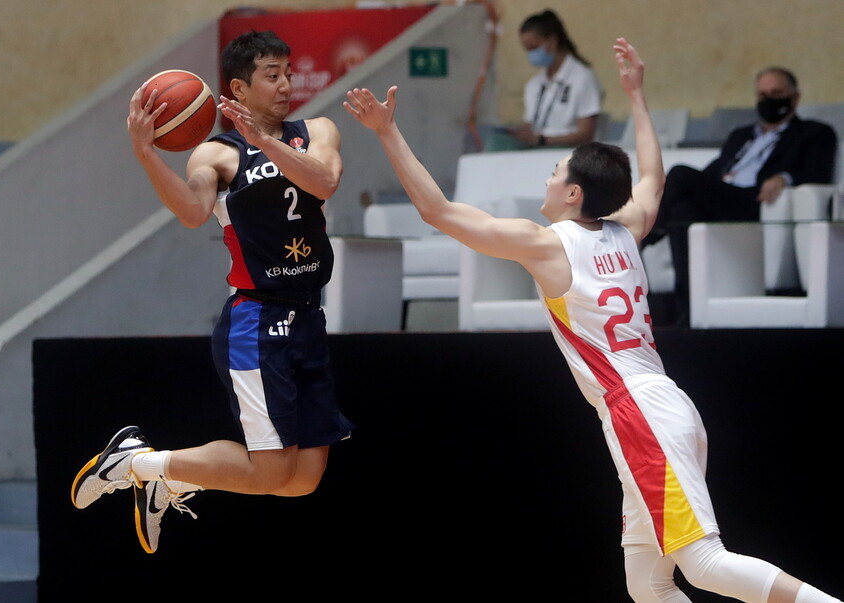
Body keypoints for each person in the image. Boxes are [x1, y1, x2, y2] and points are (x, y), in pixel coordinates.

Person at [344, 38, 840, 603]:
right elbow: (652, 179)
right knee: (647, 584)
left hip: (637, 412)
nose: (548, 178)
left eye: (554, 171)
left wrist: (387, 132)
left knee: (702, 564)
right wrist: (637, 96)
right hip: (663, 402)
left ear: (573, 192)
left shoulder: (548, 243)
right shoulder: (626, 228)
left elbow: (439, 211)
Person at [70, 30, 354, 554]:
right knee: (270, 471)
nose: (287, 83)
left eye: (289, 71)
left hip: (309, 317)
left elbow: (325, 182)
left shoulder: (317, 129)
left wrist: (267, 140)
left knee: (304, 478)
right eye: (273, 75)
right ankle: (135, 463)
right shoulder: (217, 154)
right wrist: (145, 154)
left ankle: (170, 480)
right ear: (239, 90)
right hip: (258, 321)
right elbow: (192, 211)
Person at [642, 66, 838, 325]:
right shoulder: (741, 136)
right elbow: (715, 169)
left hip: (756, 201)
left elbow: (817, 172)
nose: (769, 99)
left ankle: (644, 231)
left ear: (795, 96)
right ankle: (687, 308)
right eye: (762, 94)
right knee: (682, 211)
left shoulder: (814, 132)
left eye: (776, 93)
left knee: (679, 175)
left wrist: (784, 178)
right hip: (726, 195)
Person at [502, 9, 603, 149]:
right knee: (497, 143)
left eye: (534, 47)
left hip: (568, 152)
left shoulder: (583, 78)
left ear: (552, 41)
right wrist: (519, 133)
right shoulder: (534, 84)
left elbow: (586, 134)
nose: (531, 54)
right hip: (536, 150)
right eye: (527, 50)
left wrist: (544, 140)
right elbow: (530, 125)